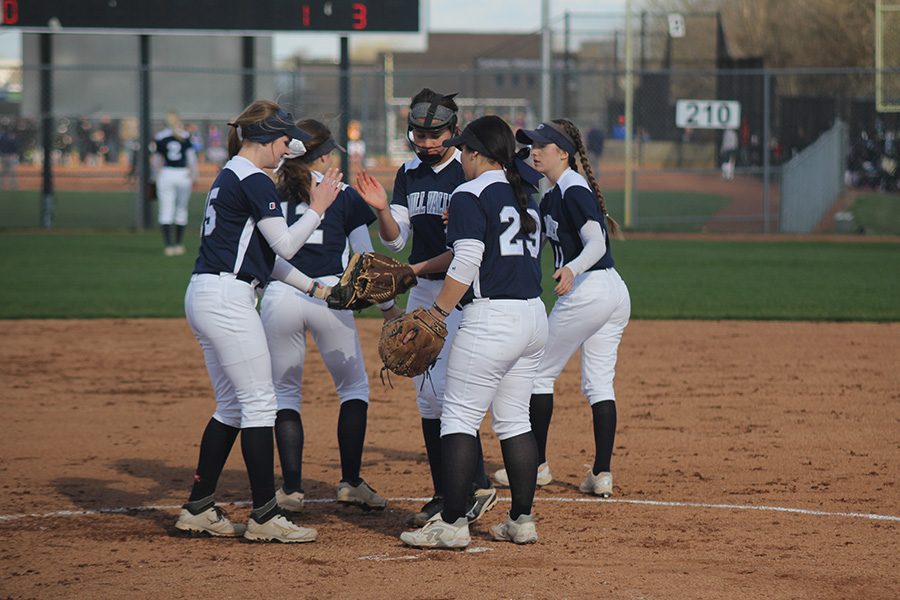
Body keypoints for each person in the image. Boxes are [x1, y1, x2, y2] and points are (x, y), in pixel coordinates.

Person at [174, 100, 344, 543]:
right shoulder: (253, 179)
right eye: (286, 142)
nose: (290, 150)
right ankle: (266, 516)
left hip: (210, 293)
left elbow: (265, 259)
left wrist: (317, 289)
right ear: (269, 140)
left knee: (232, 406)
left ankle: (199, 507)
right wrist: (319, 206)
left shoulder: (233, 172)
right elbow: (286, 245)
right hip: (228, 298)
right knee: (260, 405)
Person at [399, 115, 548, 549]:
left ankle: (452, 523)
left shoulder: (470, 192)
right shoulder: (525, 194)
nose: (461, 157)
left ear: (479, 154)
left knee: (459, 417)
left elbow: (466, 262)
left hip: (491, 319)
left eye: (465, 150)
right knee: (515, 420)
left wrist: (436, 314)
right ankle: (521, 520)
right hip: (533, 316)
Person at [354, 88, 497, 528]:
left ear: (455, 132)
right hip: (420, 290)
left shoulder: (466, 172)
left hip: (457, 293)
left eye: (437, 134)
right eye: (420, 133)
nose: (428, 141)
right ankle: (444, 491)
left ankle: (477, 487)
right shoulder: (410, 173)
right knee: (428, 399)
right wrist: (382, 210)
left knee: (454, 394)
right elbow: (396, 241)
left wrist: (411, 269)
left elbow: (465, 250)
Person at [259, 119, 398, 515]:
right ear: (323, 155)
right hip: (328, 296)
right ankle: (351, 482)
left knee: (285, 393)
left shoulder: (268, 187)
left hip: (281, 294)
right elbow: (362, 259)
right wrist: (389, 310)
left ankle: (291, 490)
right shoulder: (341, 193)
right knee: (353, 389)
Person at [492, 119, 630, 499]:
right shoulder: (554, 192)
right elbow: (518, 166)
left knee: (537, 373)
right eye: (531, 145)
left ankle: (535, 466)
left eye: (541, 146)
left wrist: (571, 268)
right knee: (599, 383)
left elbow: (597, 242)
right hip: (612, 292)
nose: (534, 151)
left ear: (563, 154)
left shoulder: (572, 187)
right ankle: (601, 473)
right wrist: (516, 155)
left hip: (590, 288)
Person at [153, 112, 198, 256]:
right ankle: (178, 244)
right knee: (181, 209)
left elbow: (156, 160)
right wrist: (195, 176)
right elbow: (191, 159)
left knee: (166, 210)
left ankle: (168, 246)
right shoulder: (185, 136)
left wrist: (154, 177)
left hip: (166, 173)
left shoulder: (161, 137)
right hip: (183, 174)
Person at [0, 122, 19, 191]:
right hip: (11, 156)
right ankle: (14, 188)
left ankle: (1, 187)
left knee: (3, 172)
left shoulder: (2, 136)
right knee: (13, 173)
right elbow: (15, 146)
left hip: (3, 156)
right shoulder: (11, 136)